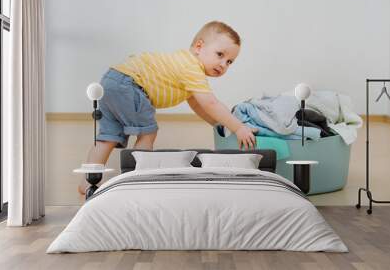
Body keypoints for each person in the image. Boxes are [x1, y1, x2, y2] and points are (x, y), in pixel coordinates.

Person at [79, 21, 257, 194]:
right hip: (130, 84)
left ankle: (86, 183)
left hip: (111, 81)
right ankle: (134, 181)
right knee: (147, 133)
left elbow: (197, 104)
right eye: (220, 54)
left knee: (107, 138)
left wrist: (217, 124)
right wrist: (238, 127)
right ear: (199, 47)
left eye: (229, 62)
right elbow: (210, 103)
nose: (223, 64)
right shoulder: (192, 67)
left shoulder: (184, 65)